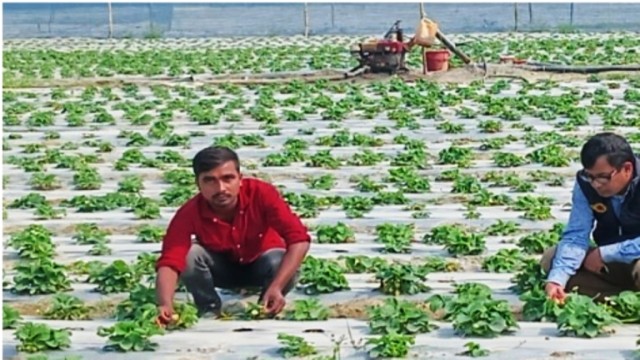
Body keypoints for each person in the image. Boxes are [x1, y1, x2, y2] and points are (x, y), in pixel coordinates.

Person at [154, 146, 311, 323]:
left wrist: (276, 286)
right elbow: (170, 261)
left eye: (228, 178)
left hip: (262, 265)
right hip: (221, 271)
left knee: (281, 259)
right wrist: (165, 303)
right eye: (209, 181)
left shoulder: (262, 194)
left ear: (240, 179)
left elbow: (299, 240)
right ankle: (209, 308)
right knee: (189, 255)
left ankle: (266, 304)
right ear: (198, 184)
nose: (220, 188)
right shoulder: (190, 212)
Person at [542, 132, 640, 302]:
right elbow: (576, 235)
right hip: (612, 263)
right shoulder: (586, 184)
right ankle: (623, 298)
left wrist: (607, 253)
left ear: (627, 169)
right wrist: (557, 280)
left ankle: (614, 295)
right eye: (590, 176)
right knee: (551, 259)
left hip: (627, 256)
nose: (595, 184)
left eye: (603, 177)